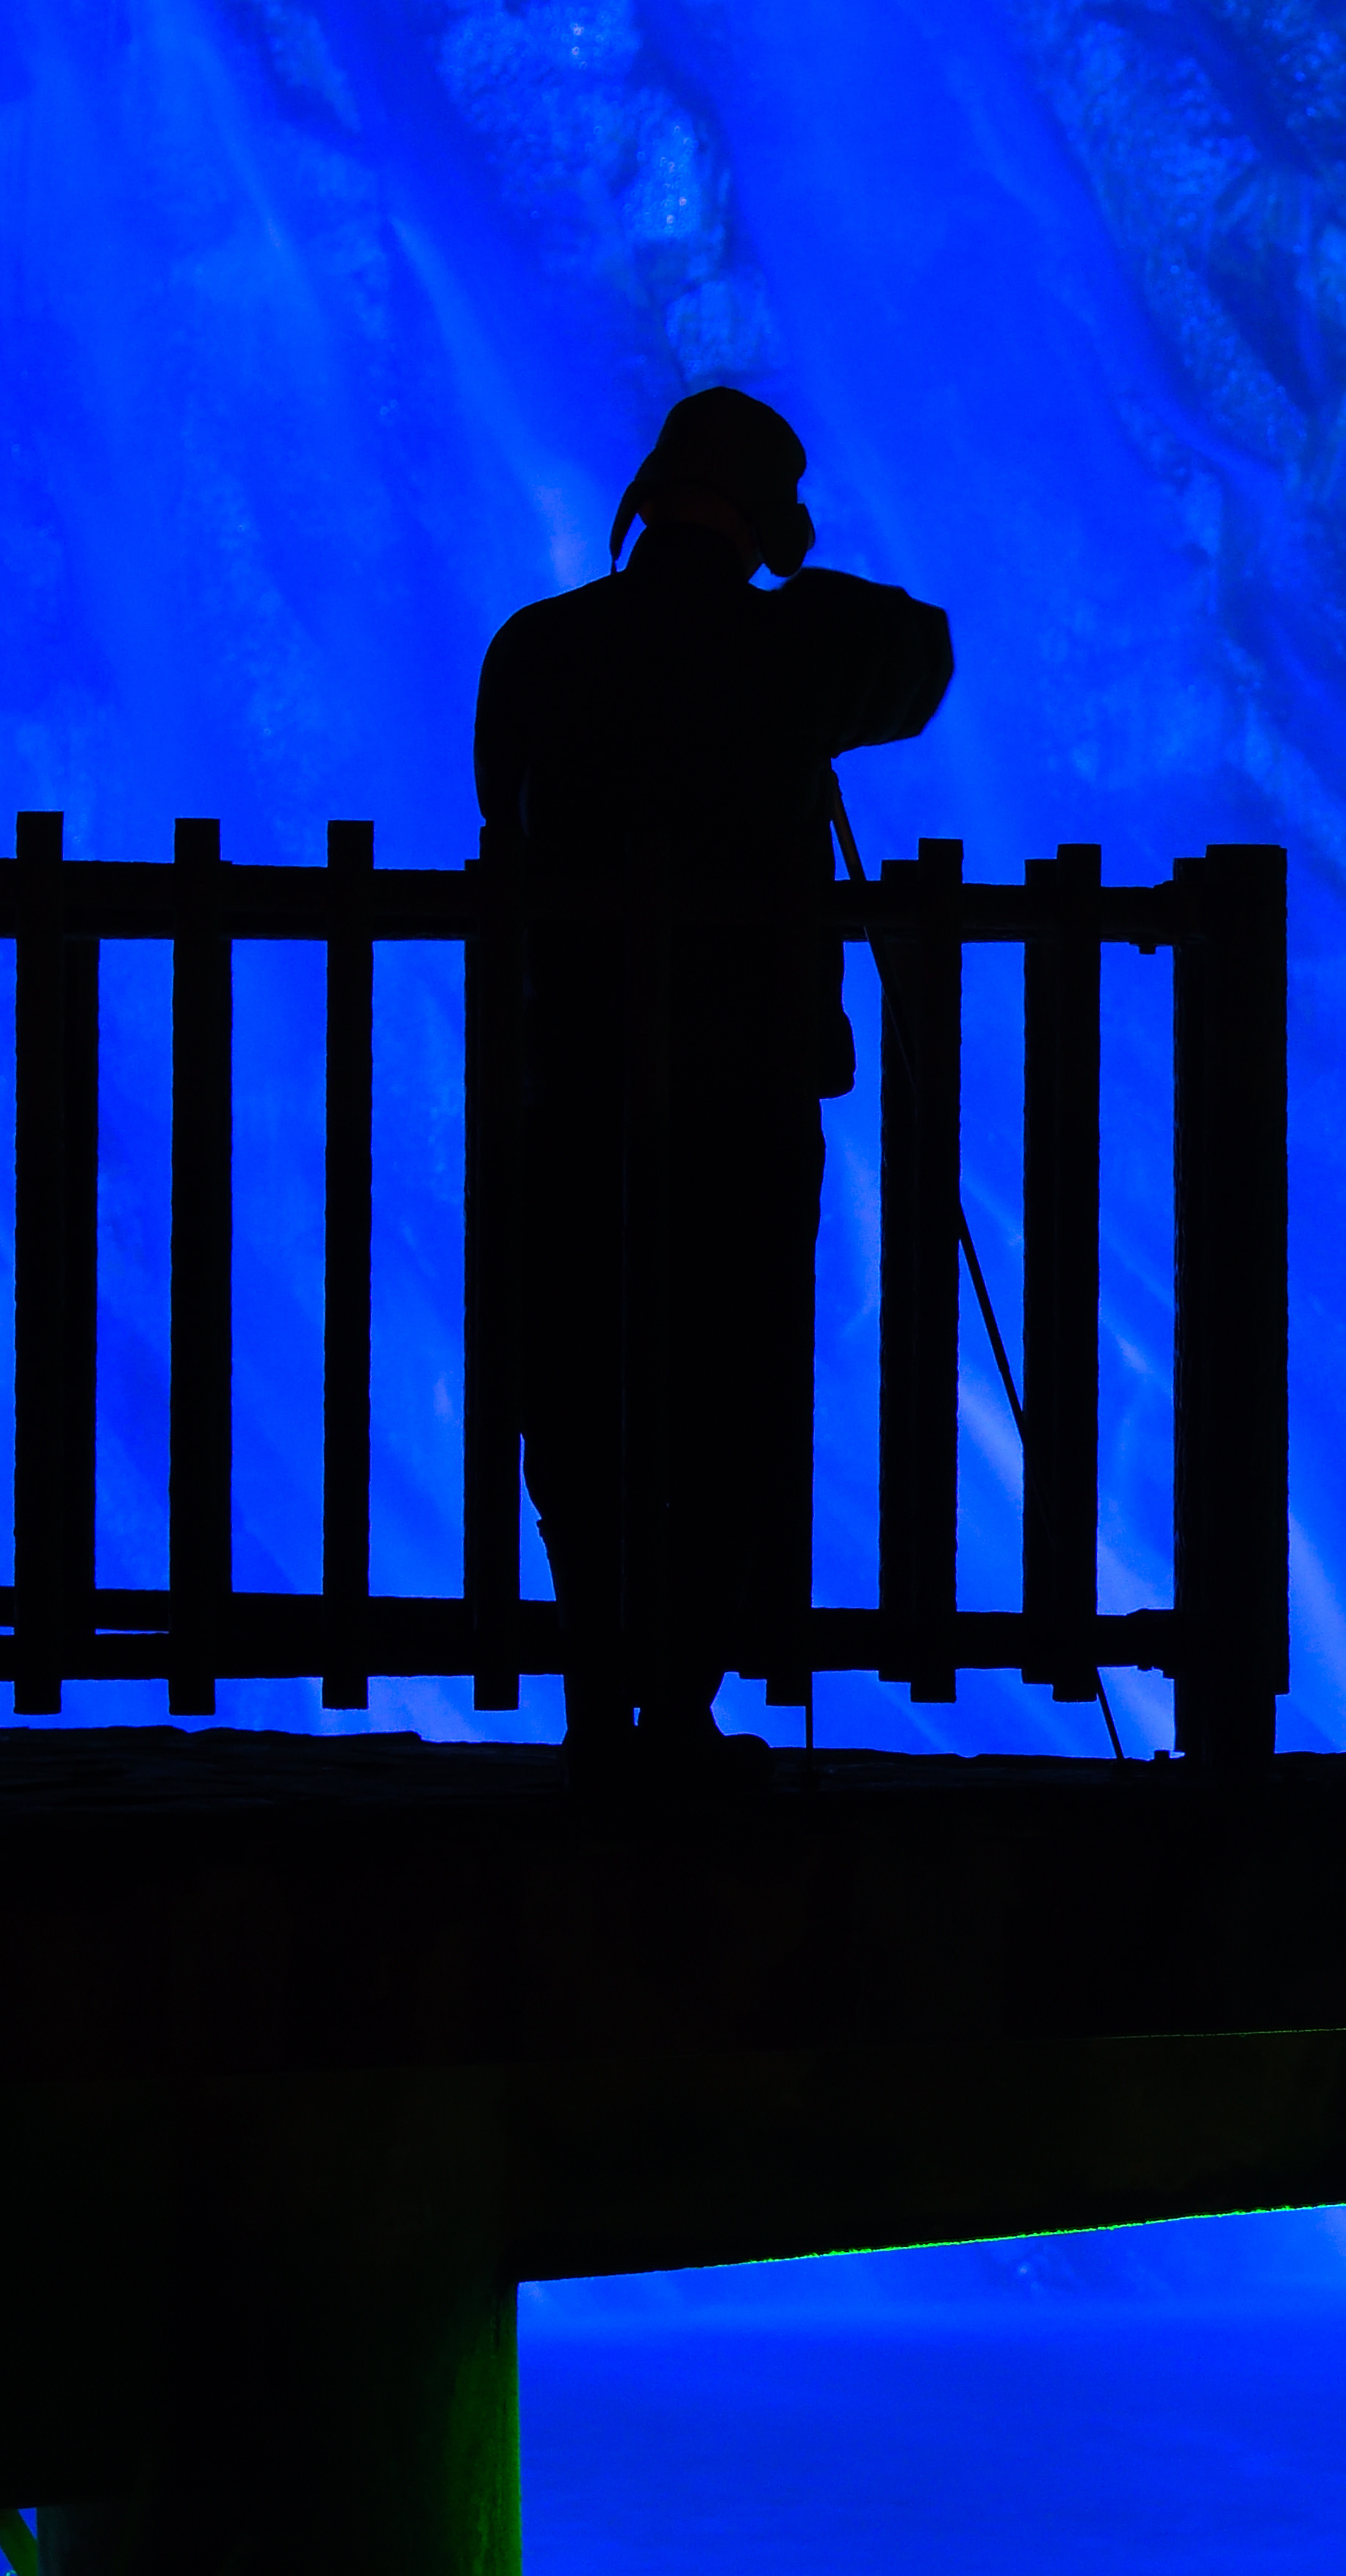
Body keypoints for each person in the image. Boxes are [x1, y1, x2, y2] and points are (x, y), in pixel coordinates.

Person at [474, 386, 953, 1778]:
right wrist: (793, 568)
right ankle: (681, 1704)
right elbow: (920, 656)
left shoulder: (540, 648)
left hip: (573, 1073)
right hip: (748, 1090)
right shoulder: (791, 649)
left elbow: (502, 806)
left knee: (576, 1384)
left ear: (642, 500)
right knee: (732, 1386)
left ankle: (594, 1700)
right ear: (765, 520)